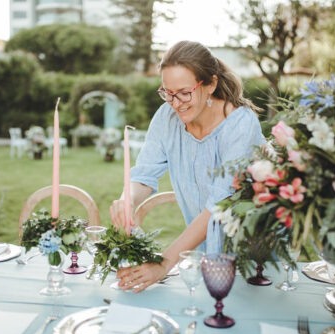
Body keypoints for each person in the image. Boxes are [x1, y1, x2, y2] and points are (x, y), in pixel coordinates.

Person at [109, 40, 265, 292]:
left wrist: (162, 265)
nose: (175, 102)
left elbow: (218, 207)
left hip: (254, 260)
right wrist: (127, 199)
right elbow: (144, 174)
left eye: (184, 92)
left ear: (210, 84)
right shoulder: (166, 117)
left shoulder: (240, 126)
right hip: (203, 255)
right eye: (167, 93)